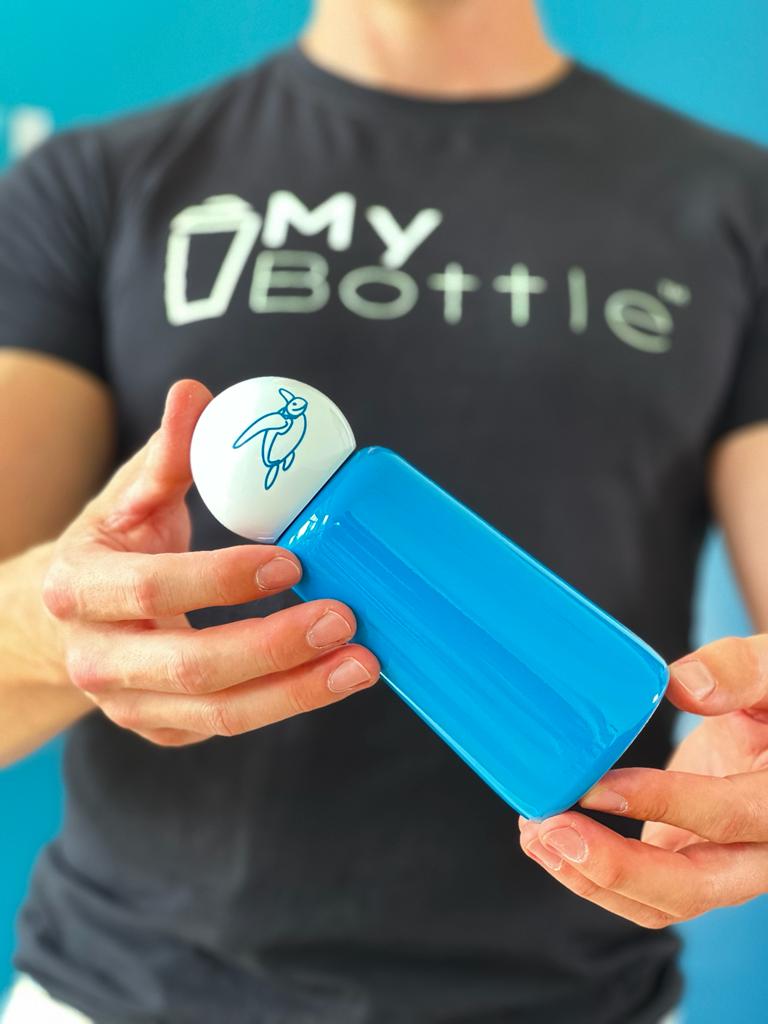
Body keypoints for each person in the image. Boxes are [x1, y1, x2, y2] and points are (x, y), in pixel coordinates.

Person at [0, 0, 767, 1020]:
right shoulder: (93, 181)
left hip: (574, 993)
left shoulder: (739, 204)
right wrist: (62, 624)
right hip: (121, 991)